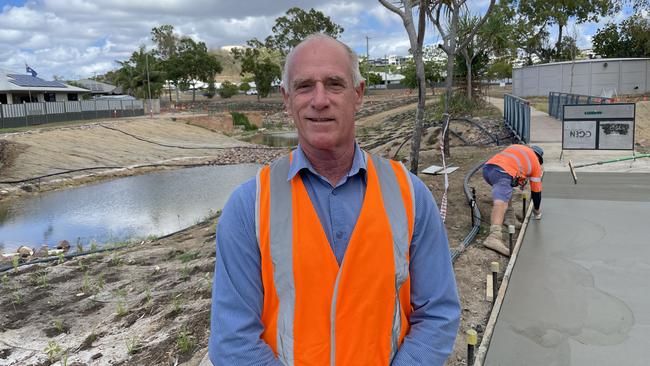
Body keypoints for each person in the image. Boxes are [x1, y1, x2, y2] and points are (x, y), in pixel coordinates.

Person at [208, 34, 460, 365]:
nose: (320, 100)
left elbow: (437, 313)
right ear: (286, 99)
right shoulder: (249, 208)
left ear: (358, 95)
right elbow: (232, 340)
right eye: (304, 86)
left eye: (334, 84)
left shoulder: (410, 195)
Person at [481, 144, 544, 256]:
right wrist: (537, 211)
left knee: (506, 191)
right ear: (538, 158)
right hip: (503, 172)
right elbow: (536, 192)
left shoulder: (517, 148)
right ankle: (494, 236)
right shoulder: (535, 164)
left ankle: (510, 219)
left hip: (488, 169)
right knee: (501, 203)